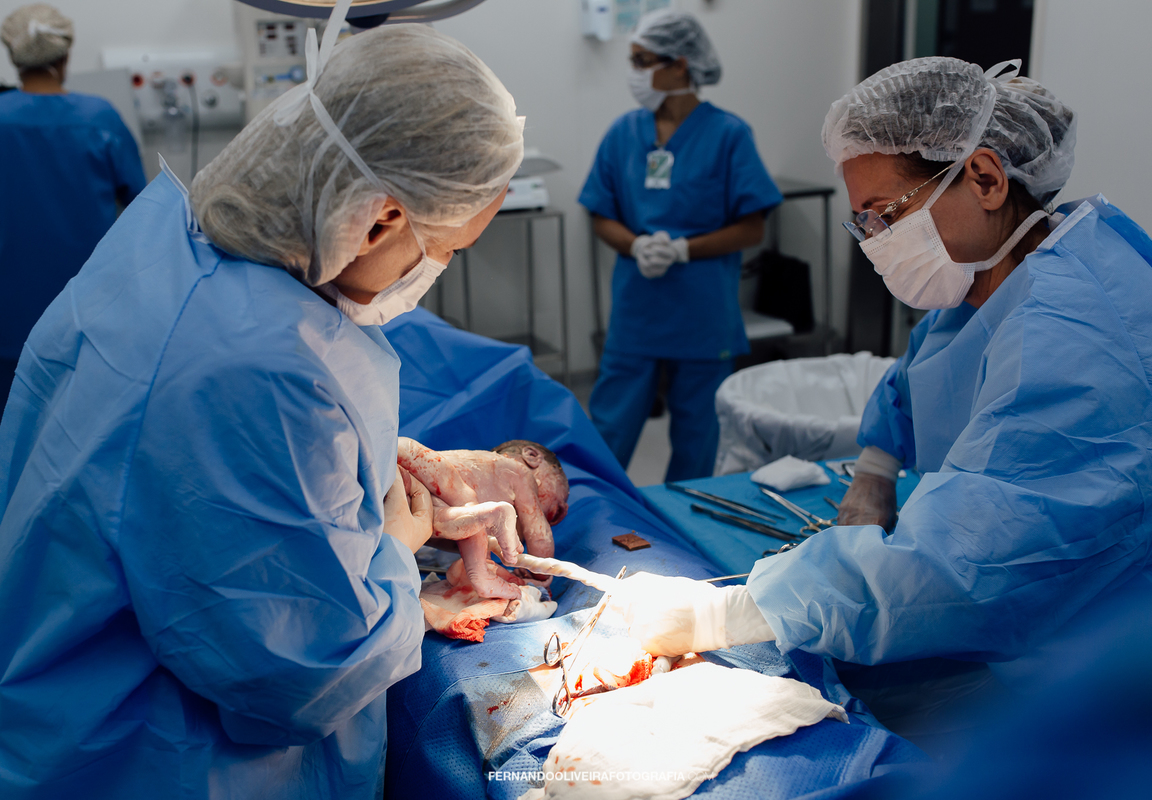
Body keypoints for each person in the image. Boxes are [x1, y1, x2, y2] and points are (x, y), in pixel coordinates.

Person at [0, 0, 525, 795]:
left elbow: (158, 489)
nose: (433, 273)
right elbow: (308, 674)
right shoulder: (258, 368)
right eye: (445, 249)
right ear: (382, 218)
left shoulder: (165, 249)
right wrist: (390, 542)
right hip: (143, 762)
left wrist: (351, 476)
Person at [609, 57, 1152, 746]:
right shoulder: (998, 274)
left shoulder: (1081, 341)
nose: (875, 243)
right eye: (860, 224)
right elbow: (921, 375)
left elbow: (962, 565)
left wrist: (736, 612)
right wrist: (875, 469)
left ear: (984, 177)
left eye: (885, 214)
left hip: (1130, 660)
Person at [579, 9, 781, 482]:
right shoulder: (623, 133)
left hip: (702, 312)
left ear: (681, 65)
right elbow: (599, 213)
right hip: (638, 310)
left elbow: (753, 228)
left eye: (643, 60)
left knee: (698, 440)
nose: (635, 73)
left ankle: (684, 533)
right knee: (608, 431)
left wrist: (684, 250)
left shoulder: (728, 135)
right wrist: (635, 245)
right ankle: (589, 510)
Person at [0, 3, 145, 411]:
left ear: (13, 55)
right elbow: (143, 209)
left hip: (7, 317)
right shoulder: (97, 118)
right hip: (86, 313)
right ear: (65, 54)